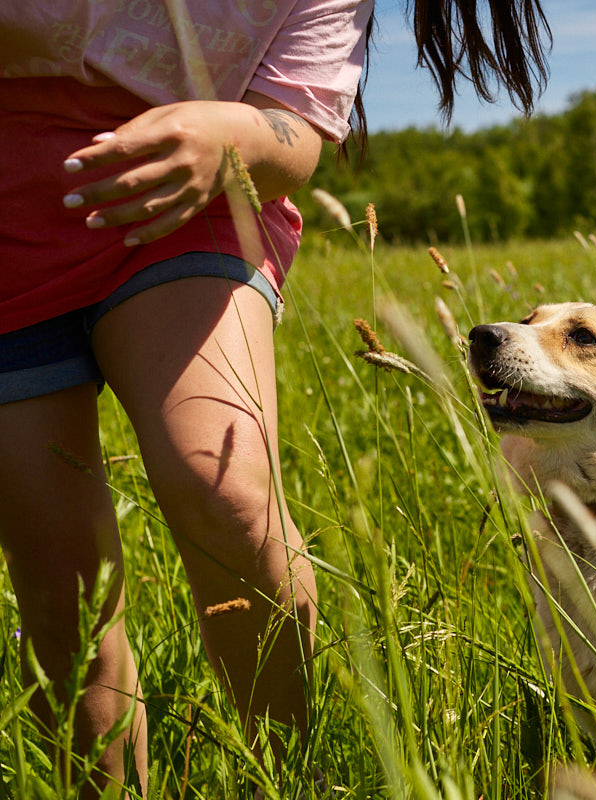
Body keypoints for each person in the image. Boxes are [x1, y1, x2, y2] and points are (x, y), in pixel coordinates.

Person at [0, 1, 549, 796]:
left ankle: (287, 780)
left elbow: (296, 131)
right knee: (60, 583)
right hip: (11, 216)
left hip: (195, 208)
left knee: (224, 490)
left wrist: (231, 141)